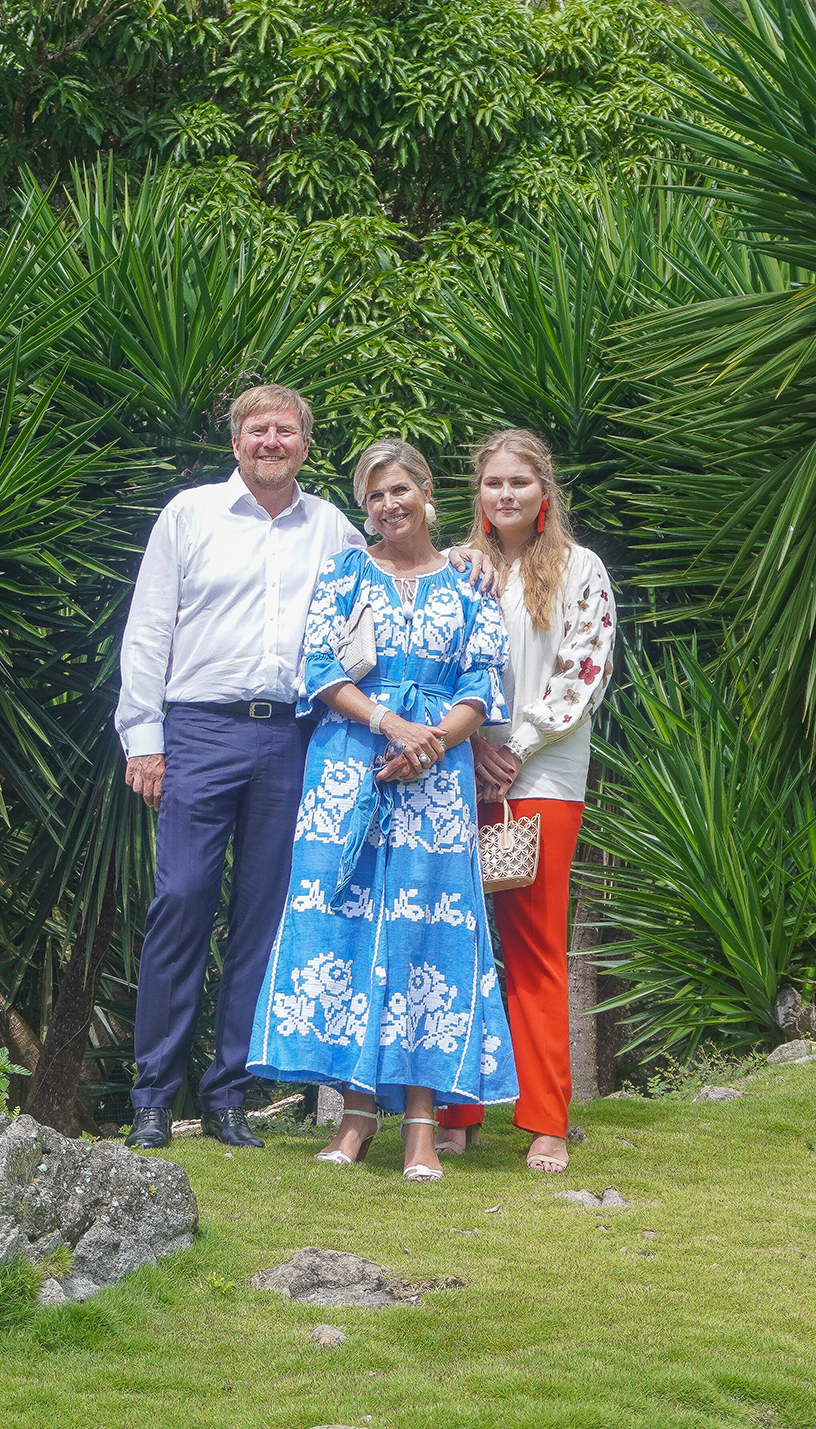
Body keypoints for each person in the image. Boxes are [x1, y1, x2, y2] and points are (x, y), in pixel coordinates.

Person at [114, 388, 490, 1151]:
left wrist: (465, 558)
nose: (272, 441)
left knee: (262, 915)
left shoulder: (331, 528)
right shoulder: (189, 515)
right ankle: (153, 1094)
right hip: (200, 728)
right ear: (236, 440)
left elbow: (401, 563)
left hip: (293, 738)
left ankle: (226, 1097)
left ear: (306, 445)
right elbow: (148, 629)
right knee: (181, 901)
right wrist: (142, 737)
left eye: (286, 431)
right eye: (259, 430)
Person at [246, 439, 518, 1182]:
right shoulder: (345, 571)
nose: (387, 505)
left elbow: (480, 682)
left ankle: (423, 1126)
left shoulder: (469, 582)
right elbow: (321, 669)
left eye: (399, 490)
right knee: (347, 925)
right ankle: (357, 1115)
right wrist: (390, 725)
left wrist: (430, 746)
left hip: (437, 778)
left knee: (424, 935)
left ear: (426, 493)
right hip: (348, 767)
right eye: (373, 496)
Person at [435, 429, 617, 1174]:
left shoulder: (581, 569)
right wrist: (473, 744)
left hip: (541, 778)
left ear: (546, 490)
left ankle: (545, 1117)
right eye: (491, 483)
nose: (504, 494)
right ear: (476, 493)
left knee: (535, 948)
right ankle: (457, 1110)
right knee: (457, 943)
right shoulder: (456, 566)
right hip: (457, 770)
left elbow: (584, 671)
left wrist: (516, 746)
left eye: (519, 481)